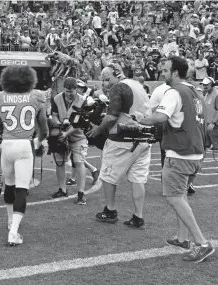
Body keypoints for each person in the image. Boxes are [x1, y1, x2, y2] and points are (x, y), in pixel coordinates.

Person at [140, 56, 215, 263]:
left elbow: (160, 117)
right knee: (180, 195)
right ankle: (183, 238)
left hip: (180, 153)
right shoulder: (194, 91)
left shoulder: (174, 92)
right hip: (195, 152)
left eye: (164, 70)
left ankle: (202, 243)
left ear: (174, 73)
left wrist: (139, 119)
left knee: (174, 197)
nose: (161, 73)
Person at [0, 65, 48, 246]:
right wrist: (37, 143)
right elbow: (44, 129)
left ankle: (9, 220)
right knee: (22, 189)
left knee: (9, 186)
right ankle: (13, 231)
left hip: (6, 145)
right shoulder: (36, 97)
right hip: (24, 145)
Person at [88, 63, 151, 228]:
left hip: (123, 138)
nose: (106, 84)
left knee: (108, 175)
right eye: (103, 81)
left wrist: (98, 129)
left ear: (117, 74)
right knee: (138, 179)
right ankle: (138, 216)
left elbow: (111, 117)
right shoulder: (138, 85)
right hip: (143, 138)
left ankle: (110, 211)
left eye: (107, 79)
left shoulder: (119, 87)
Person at [49, 77, 89, 205]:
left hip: (78, 136)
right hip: (61, 133)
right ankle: (62, 189)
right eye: (66, 91)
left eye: (71, 91)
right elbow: (54, 115)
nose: (69, 94)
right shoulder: (57, 98)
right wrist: (58, 126)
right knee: (59, 162)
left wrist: (66, 133)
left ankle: (81, 193)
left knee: (79, 162)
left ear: (76, 89)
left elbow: (79, 122)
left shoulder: (83, 101)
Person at [66, 80, 100, 186]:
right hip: (76, 129)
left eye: (80, 87)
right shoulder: (74, 99)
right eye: (77, 87)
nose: (78, 89)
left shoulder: (86, 99)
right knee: (74, 156)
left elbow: (88, 115)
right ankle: (75, 177)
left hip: (82, 130)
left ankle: (92, 170)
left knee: (76, 156)